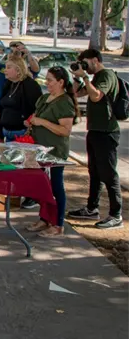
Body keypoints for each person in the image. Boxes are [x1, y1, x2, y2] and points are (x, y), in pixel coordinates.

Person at [67, 49, 123, 229]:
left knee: (108, 173)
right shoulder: (94, 77)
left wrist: (85, 77)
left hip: (107, 131)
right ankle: (92, 208)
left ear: (95, 60)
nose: (84, 66)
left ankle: (116, 214)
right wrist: (77, 77)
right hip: (94, 130)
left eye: (85, 63)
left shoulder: (106, 75)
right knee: (94, 172)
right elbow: (77, 94)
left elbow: (97, 96)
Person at [25, 67, 79, 238]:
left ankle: (58, 224)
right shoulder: (45, 98)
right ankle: (44, 218)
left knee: (56, 187)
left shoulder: (64, 102)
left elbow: (65, 130)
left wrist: (42, 122)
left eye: (50, 80)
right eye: (46, 80)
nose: (46, 83)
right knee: (43, 186)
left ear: (61, 82)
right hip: (39, 150)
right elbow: (36, 116)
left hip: (54, 152)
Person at [0, 55, 43, 141]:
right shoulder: (9, 83)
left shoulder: (30, 85)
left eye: (9, 67)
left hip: (22, 133)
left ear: (18, 70)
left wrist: (30, 121)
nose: (5, 70)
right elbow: (0, 108)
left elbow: (38, 108)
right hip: (6, 132)